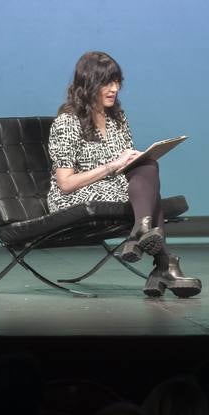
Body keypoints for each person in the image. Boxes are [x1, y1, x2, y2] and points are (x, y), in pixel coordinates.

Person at [48, 51, 200, 298]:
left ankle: (142, 231)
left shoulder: (117, 118)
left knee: (148, 166)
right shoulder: (67, 122)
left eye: (117, 82)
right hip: (74, 196)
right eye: (107, 83)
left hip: (116, 187)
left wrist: (134, 159)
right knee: (150, 196)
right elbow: (65, 183)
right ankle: (163, 264)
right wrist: (111, 166)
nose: (114, 89)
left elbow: (125, 168)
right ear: (88, 85)